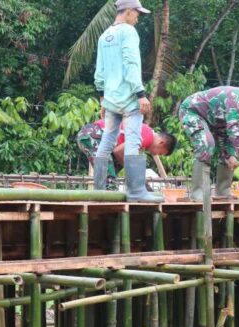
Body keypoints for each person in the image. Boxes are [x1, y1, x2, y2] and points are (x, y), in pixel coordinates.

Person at [94, 0, 158, 201]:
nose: (138, 18)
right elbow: (131, 64)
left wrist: (103, 99)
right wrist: (140, 94)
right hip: (129, 97)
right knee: (133, 139)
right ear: (128, 11)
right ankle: (136, 191)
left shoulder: (104, 36)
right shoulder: (128, 32)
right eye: (137, 13)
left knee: (107, 139)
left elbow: (99, 72)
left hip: (111, 99)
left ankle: (100, 190)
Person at [76, 119, 176, 189]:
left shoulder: (145, 135)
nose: (155, 154)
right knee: (109, 180)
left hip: (92, 135)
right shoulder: (148, 137)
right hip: (94, 134)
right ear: (161, 143)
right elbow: (118, 151)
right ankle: (108, 201)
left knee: (114, 170)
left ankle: (103, 195)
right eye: (160, 152)